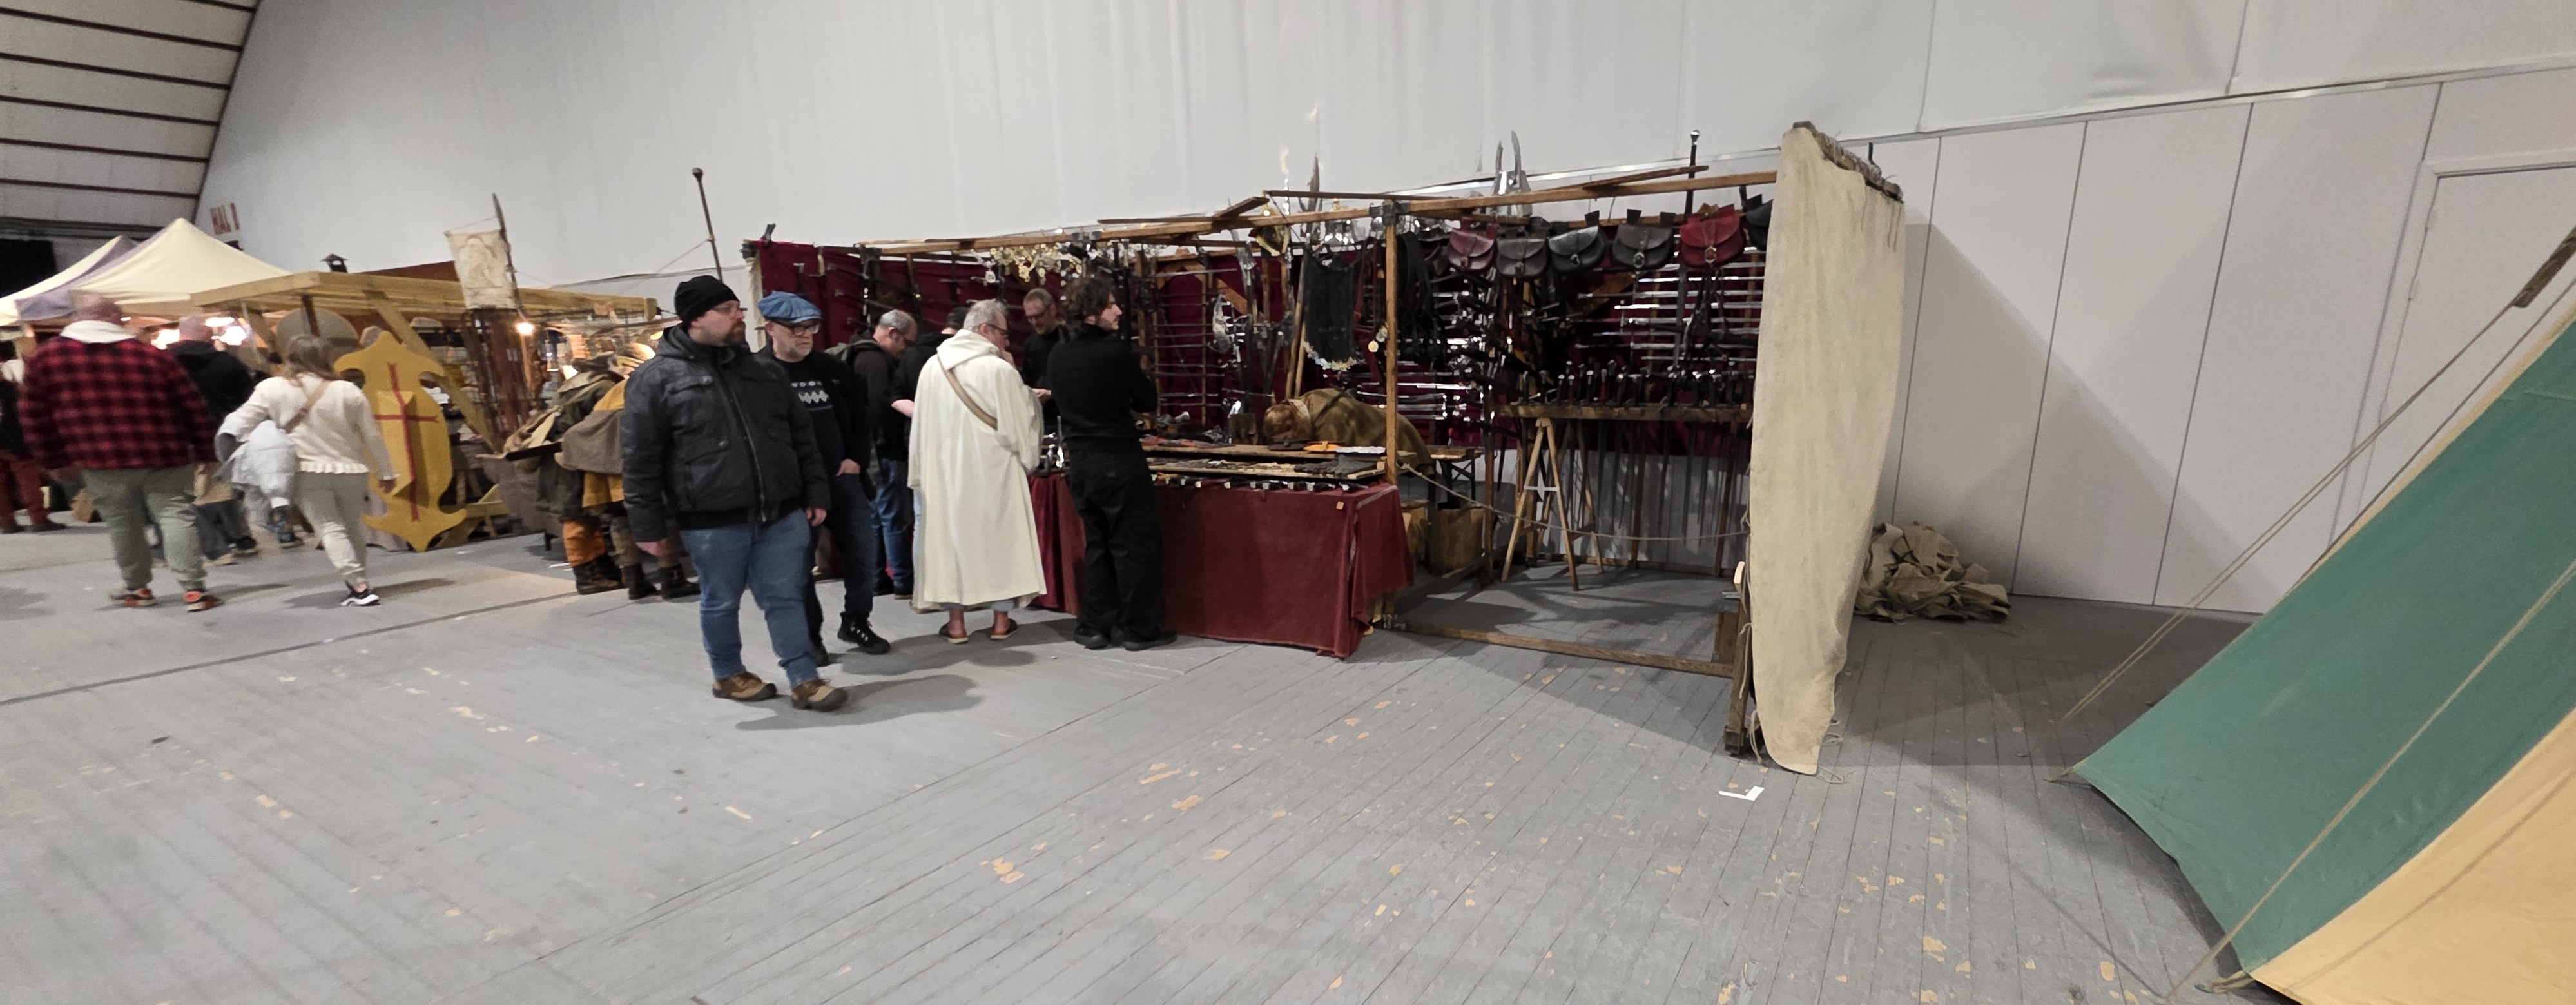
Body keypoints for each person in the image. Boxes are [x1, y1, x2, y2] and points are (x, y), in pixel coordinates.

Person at [623, 276, 848, 711]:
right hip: (711, 519)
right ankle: (727, 674)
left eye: (738, 308)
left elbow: (801, 436)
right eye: (727, 309)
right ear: (695, 318)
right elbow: (639, 458)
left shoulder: (763, 371)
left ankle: (804, 679)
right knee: (721, 601)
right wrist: (646, 524)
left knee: (785, 597)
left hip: (781, 513)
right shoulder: (655, 380)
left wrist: (815, 492)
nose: (739, 316)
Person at [19, 293, 222, 610]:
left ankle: (138, 589)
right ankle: (194, 590)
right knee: (175, 516)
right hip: (165, 453)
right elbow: (192, 406)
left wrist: (54, 461)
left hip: (99, 458)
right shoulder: (151, 355)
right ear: (113, 317)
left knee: (123, 523)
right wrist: (206, 450)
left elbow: (34, 415)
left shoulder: (47, 358)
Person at [1043, 277, 1177, 651]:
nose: (1118, 310)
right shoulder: (1113, 353)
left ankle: (1094, 625)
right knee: (1134, 545)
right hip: (1117, 457)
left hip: (1081, 462)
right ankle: (1137, 628)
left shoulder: (1058, 355)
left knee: (1098, 544)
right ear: (1091, 312)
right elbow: (1147, 400)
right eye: (1110, 305)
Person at [757, 291, 890, 657]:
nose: (805, 336)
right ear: (770, 328)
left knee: (863, 553)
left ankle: (856, 621)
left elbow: (861, 415)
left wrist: (856, 458)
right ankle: (811, 636)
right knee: (799, 566)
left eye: (811, 328)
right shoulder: (758, 375)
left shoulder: (831, 368)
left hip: (842, 477)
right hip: (794, 487)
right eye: (796, 328)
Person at [222, 335, 399, 606]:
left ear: (290, 357)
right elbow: (371, 435)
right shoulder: (347, 390)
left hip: (306, 471)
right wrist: (386, 472)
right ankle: (360, 582)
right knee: (353, 526)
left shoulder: (271, 388)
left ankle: (359, 585)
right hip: (352, 470)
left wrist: (228, 444)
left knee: (329, 527)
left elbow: (241, 422)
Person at [909, 299, 1047, 643]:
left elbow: (921, 425)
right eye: (1002, 333)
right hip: (994, 471)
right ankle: (1001, 622)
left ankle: (956, 625)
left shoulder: (932, 367)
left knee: (951, 542)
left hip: (944, 473)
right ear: (985, 330)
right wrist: (1031, 401)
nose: (1005, 341)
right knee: (999, 540)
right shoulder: (998, 370)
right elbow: (1020, 425)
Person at [169, 315, 262, 562]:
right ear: (205, 334)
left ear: (181, 333)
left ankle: (216, 546)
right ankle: (242, 537)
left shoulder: (164, 362)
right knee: (227, 486)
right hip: (226, 432)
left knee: (190, 493)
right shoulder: (227, 362)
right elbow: (248, 399)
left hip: (181, 435)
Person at [839, 309, 916, 598]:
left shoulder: (857, 354)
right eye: (907, 343)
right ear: (893, 334)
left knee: (876, 518)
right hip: (883, 451)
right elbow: (881, 409)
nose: (907, 350)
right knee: (895, 518)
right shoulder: (876, 362)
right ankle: (903, 580)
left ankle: (876, 578)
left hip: (866, 452)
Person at [0, 344, 64, 533]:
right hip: (14, 440)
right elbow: (22, 412)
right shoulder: (11, 387)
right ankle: (38, 518)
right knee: (28, 479)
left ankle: (6, 523)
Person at [1018, 288, 1066, 430]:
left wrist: (1052, 394)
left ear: (1052, 309)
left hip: (1067, 415)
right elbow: (1028, 379)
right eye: (1030, 318)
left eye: (1038, 316)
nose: (1034, 323)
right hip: (1042, 418)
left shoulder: (1070, 338)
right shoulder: (1031, 343)